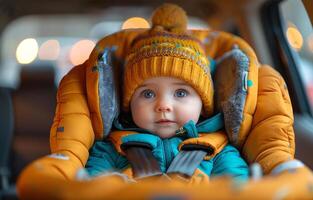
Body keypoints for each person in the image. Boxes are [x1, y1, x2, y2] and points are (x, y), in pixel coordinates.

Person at [85, 3, 249, 182]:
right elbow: (91, 185)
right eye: (148, 94)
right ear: (129, 104)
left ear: (203, 104)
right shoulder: (112, 149)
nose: (163, 105)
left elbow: (237, 187)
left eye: (180, 93)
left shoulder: (218, 151)